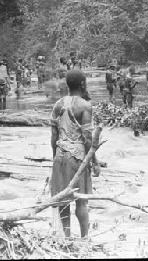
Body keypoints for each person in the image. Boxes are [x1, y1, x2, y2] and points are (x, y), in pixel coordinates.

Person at [50, 69, 99, 238]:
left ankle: (67, 237)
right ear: (83, 84)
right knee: (81, 201)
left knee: (64, 200)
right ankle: (85, 238)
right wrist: (94, 161)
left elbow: (54, 136)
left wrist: (55, 158)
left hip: (60, 155)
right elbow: (87, 139)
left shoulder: (58, 105)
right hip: (77, 158)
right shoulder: (85, 106)